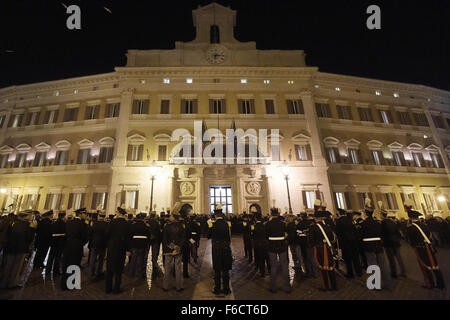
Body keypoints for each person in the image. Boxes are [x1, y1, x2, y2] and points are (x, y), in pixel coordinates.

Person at [405, 199, 445, 289]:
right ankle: (440, 283)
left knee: (425, 266)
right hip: (429, 246)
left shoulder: (411, 228)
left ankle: (429, 284)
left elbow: (409, 240)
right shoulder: (424, 225)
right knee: (434, 265)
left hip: (420, 248)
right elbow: (430, 235)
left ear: (410, 218)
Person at [360, 198, 392, 290]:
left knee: (373, 265)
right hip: (378, 245)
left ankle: (375, 284)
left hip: (368, 246)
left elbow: (361, 235)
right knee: (383, 264)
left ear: (365, 214)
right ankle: (388, 283)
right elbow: (382, 233)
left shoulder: (363, 224)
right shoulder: (378, 223)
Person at [0, 210, 36, 289]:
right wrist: (33, 229)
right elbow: (29, 238)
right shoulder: (29, 225)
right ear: (26, 216)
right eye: (30, 215)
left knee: (8, 266)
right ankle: (12, 283)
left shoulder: (13, 223)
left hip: (10, 248)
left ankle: (3, 283)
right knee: (17, 267)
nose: (31, 217)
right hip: (21, 249)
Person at [310, 204, 337, 291]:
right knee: (330, 267)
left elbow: (311, 240)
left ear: (316, 218)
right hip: (328, 248)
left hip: (319, 249)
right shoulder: (327, 227)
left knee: (322, 268)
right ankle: (334, 286)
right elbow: (333, 238)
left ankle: (325, 286)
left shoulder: (313, 227)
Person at [61, 208, 89, 290]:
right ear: (80, 214)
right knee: (74, 265)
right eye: (84, 213)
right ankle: (71, 284)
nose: (85, 215)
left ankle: (63, 284)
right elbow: (85, 237)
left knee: (66, 265)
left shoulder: (68, 222)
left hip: (68, 245)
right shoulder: (83, 224)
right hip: (77, 246)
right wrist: (81, 243)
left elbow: (64, 234)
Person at [105, 207, 131, 294]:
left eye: (116, 212)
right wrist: (128, 249)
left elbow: (107, 233)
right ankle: (116, 289)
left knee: (109, 268)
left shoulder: (112, 222)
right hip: (122, 247)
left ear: (119, 213)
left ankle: (108, 288)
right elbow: (128, 238)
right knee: (119, 270)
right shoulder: (127, 224)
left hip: (112, 247)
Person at [207, 204, 233, 295]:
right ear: (221, 215)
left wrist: (209, 227)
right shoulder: (227, 224)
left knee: (217, 269)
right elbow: (229, 238)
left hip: (216, 249)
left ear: (215, 215)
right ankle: (226, 289)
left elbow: (208, 236)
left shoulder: (213, 225)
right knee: (225, 269)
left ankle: (217, 288)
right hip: (226, 248)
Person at [265, 207, 290, 293]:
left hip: (272, 246)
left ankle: (273, 287)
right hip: (282, 246)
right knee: (284, 265)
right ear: (278, 214)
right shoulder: (283, 223)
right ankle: (287, 286)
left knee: (273, 266)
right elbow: (286, 234)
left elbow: (266, 236)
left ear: (271, 214)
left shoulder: (268, 224)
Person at [162, 203, 185, 292]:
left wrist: (171, 247)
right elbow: (183, 238)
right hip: (178, 250)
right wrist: (177, 247)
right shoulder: (181, 226)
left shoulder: (167, 226)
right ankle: (179, 286)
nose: (170, 217)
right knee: (178, 269)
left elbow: (165, 240)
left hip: (169, 250)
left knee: (167, 268)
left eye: (171, 215)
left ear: (173, 217)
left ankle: (165, 286)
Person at [379, 202, 406, 279]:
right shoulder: (392, 222)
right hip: (396, 242)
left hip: (388, 243)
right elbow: (398, 232)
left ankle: (394, 273)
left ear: (381, 215)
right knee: (399, 258)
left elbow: (382, 233)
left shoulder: (382, 223)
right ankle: (403, 272)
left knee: (391, 259)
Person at [335, 209, 362, 278]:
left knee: (348, 260)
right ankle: (359, 272)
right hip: (354, 242)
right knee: (356, 258)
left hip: (345, 243)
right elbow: (355, 230)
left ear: (339, 213)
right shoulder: (350, 220)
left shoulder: (339, 221)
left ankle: (350, 274)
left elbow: (337, 232)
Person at [128, 212, 151, 279]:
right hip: (142, 244)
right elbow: (148, 235)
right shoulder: (146, 226)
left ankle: (131, 273)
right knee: (140, 260)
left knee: (133, 259)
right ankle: (139, 274)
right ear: (143, 219)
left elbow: (130, 235)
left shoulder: (133, 225)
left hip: (134, 244)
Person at [88, 211, 108, 280]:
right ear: (104, 216)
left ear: (99, 216)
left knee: (93, 258)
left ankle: (91, 272)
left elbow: (90, 232)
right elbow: (107, 234)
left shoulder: (95, 223)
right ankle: (98, 272)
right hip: (102, 244)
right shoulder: (106, 224)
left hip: (94, 243)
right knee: (101, 259)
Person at [46, 210, 66, 276]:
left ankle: (48, 270)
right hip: (60, 243)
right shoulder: (64, 224)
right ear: (64, 216)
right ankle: (56, 271)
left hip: (53, 242)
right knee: (58, 257)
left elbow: (50, 232)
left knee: (51, 257)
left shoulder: (54, 223)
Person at [252, 212, 270, 277]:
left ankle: (262, 273)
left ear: (255, 219)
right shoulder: (265, 225)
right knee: (267, 258)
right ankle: (270, 271)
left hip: (258, 245)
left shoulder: (254, 226)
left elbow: (253, 236)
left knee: (261, 259)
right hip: (266, 244)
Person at [148, 211, 163, 279]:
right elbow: (159, 232)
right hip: (156, 240)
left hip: (148, 240)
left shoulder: (147, 221)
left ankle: (143, 268)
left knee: (146, 254)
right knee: (155, 254)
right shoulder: (157, 222)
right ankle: (154, 264)